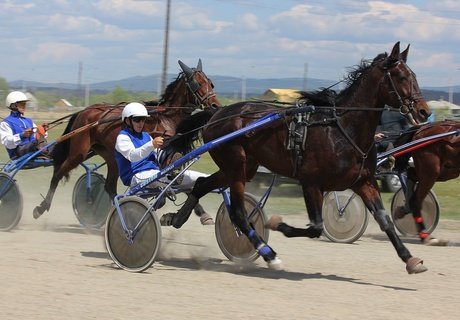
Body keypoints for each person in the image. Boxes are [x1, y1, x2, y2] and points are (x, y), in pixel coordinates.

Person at [114, 102, 214, 225]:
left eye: (143, 120)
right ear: (127, 121)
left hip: (155, 174)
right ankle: (174, 175)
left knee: (203, 178)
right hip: (136, 177)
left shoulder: (146, 136)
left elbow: (157, 155)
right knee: (169, 177)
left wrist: (175, 154)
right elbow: (133, 156)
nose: (141, 123)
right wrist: (151, 145)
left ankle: (176, 173)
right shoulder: (122, 138)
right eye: (137, 119)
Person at [0, 91, 49, 159]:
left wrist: (43, 130)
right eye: (22, 104)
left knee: (56, 144)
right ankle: (44, 153)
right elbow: (7, 143)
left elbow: (40, 137)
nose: (24, 106)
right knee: (36, 144)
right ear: (13, 105)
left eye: (24, 104)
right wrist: (22, 135)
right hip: (18, 153)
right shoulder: (6, 123)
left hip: (33, 148)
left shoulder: (28, 120)